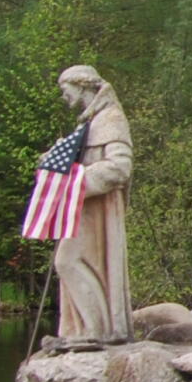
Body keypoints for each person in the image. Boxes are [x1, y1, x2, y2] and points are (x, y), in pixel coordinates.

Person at [52, 64, 134, 344]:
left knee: (67, 261)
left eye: (66, 89)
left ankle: (96, 331)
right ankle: (82, 331)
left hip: (97, 209)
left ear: (82, 85)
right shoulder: (89, 122)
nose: (64, 96)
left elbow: (120, 167)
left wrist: (77, 181)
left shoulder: (111, 118)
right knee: (73, 262)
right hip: (82, 207)